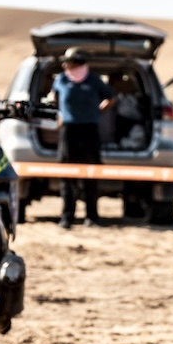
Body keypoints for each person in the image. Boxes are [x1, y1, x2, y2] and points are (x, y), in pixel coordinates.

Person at [51, 48, 113, 228]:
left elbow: (111, 98)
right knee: (67, 175)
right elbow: (54, 97)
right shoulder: (61, 80)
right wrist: (59, 115)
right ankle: (67, 216)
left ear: (78, 62)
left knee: (91, 175)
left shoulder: (94, 80)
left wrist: (97, 112)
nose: (65, 65)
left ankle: (92, 216)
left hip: (89, 131)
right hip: (68, 131)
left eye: (69, 62)